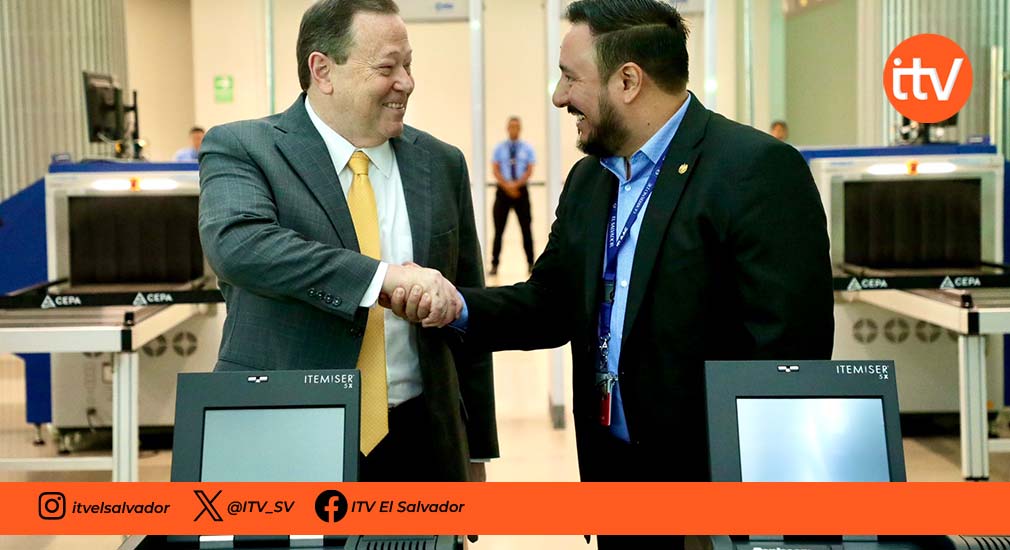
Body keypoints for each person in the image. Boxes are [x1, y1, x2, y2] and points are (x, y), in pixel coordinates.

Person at [391, 0, 832, 545]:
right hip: (614, 480)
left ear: (628, 81)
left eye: (570, 77)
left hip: (713, 497)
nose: (559, 97)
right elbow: (550, 304)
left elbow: (790, 356)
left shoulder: (755, 171)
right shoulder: (590, 181)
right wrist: (455, 305)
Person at [198, 0, 497, 482]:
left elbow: (467, 310)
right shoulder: (245, 148)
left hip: (422, 440)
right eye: (387, 67)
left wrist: (477, 452)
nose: (406, 82)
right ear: (323, 71)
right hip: (287, 432)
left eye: (408, 65)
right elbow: (240, 246)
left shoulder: (441, 163)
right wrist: (382, 279)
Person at [489, 116, 536, 275]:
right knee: (498, 230)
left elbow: (529, 169)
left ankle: (531, 264)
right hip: (503, 192)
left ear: (520, 129)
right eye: (511, 126)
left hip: (521, 192)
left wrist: (516, 185)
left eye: (516, 126)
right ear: (507, 128)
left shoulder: (527, 148)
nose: (514, 129)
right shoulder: (499, 148)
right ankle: (494, 264)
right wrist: (507, 186)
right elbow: (495, 168)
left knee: (526, 229)